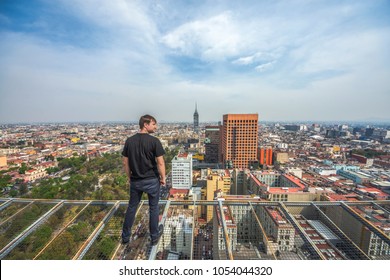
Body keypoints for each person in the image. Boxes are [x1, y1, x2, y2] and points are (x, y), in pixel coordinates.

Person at [121, 114, 166, 245]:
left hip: (135, 181)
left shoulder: (129, 141)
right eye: (153, 124)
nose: (156, 127)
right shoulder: (154, 141)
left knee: (132, 208)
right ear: (145, 125)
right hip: (152, 180)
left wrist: (129, 177)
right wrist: (163, 177)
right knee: (153, 208)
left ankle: (125, 237)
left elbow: (125, 162)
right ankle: (154, 237)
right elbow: (161, 163)